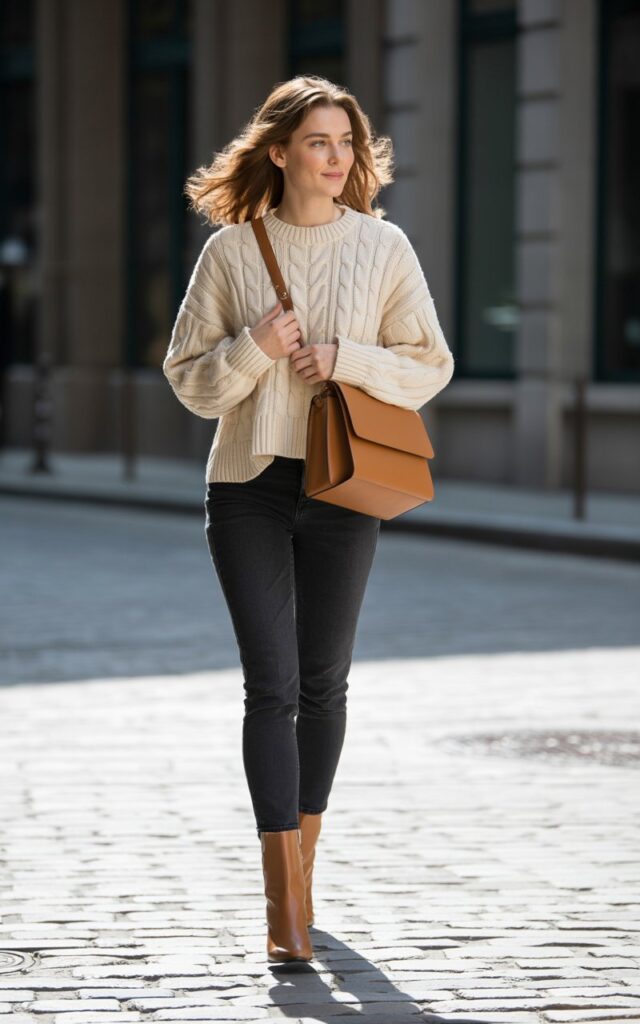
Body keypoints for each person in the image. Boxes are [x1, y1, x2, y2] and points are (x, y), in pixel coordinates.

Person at [162, 74, 455, 965]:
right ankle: (281, 908)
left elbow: (429, 363)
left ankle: (305, 871)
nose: (337, 159)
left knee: (324, 683)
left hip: (343, 487)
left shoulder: (385, 246)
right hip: (247, 485)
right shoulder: (230, 253)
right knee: (273, 683)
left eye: (347, 144)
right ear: (281, 151)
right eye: (319, 142)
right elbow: (189, 379)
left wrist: (344, 357)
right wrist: (257, 345)